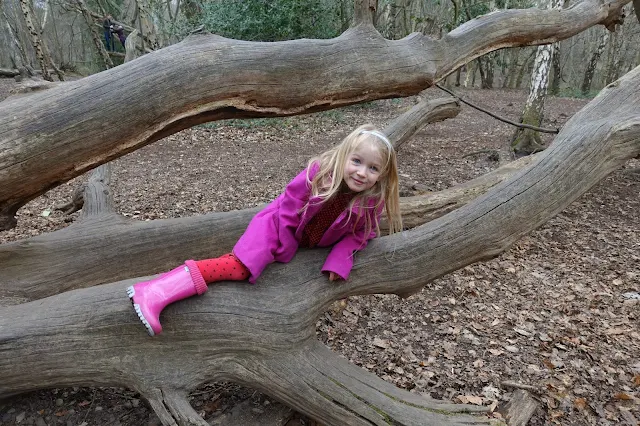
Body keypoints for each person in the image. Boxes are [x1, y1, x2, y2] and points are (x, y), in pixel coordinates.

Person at [127, 124, 403, 336]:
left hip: (308, 244)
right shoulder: (318, 174)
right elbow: (288, 207)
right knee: (238, 267)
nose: (362, 173)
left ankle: (155, 290)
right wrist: (281, 245)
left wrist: (338, 261)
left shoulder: (370, 202)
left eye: (373, 168)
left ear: (382, 174)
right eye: (356, 161)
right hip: (276, 227)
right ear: (344, 156)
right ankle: (155, 291)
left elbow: (359, 236)